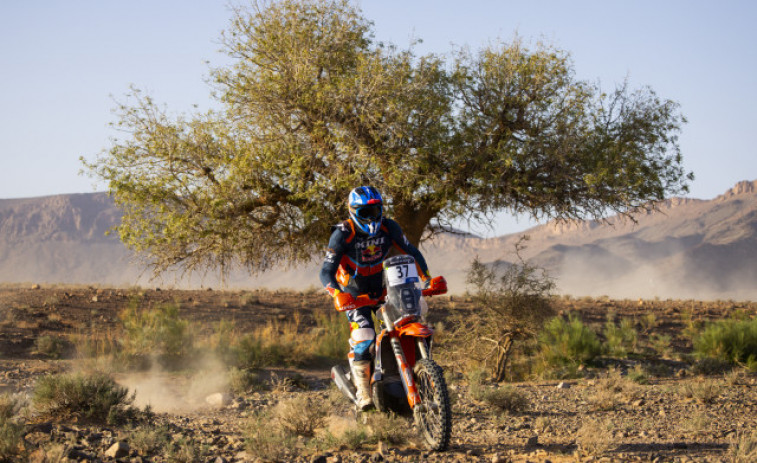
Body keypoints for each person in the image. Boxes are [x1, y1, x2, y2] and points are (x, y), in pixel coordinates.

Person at [320, 186, 431, 410]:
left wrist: (426, 278)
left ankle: (415, 375)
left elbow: (411, 251)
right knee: (364, 335)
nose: (372, 217)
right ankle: (363, 391)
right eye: (365, 213)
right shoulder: (342, 233)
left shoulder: (389, 227)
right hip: (354, 296)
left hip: (385, 291)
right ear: (353, 211)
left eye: (376, 210)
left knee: (414, 315)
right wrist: (337, 293)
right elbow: (326, 272)